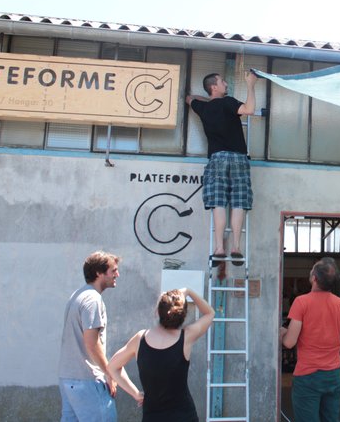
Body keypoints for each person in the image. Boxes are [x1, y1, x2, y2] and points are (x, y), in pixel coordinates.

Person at [107, 287, 215, 422]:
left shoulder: (140, 339)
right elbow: (210, 313)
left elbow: (112, 367)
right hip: (184, 416)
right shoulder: (186, 337)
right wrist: (189, 291)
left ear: (157, 312)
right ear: (183, 315)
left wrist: (136, 394)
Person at [186, 71, 257, 268]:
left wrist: (208, 99)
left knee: (218, 203)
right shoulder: (228, 102)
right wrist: (251, 85)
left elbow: (189, 98)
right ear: (214, 87)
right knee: (238, 202)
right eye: (222, 81)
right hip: (238, 158)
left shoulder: (202, 108)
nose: (226, 83)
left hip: (216, 158)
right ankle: (236, 247)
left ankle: (218, 248)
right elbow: (250, 109)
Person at [280, 257, 340, 422]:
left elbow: (289, 342)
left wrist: (282, 332)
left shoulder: (301, 302)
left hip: (308, 375)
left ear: (314, 278)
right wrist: (328, 343)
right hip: (333, 375)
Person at [58, 250, 121, 422]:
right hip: (87, 380)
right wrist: (110, 373)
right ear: (99, 273)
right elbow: (92, 343)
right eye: (113, 270)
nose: (117, 275)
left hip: (69, 378)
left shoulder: (78, 295)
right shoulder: (93, 300)